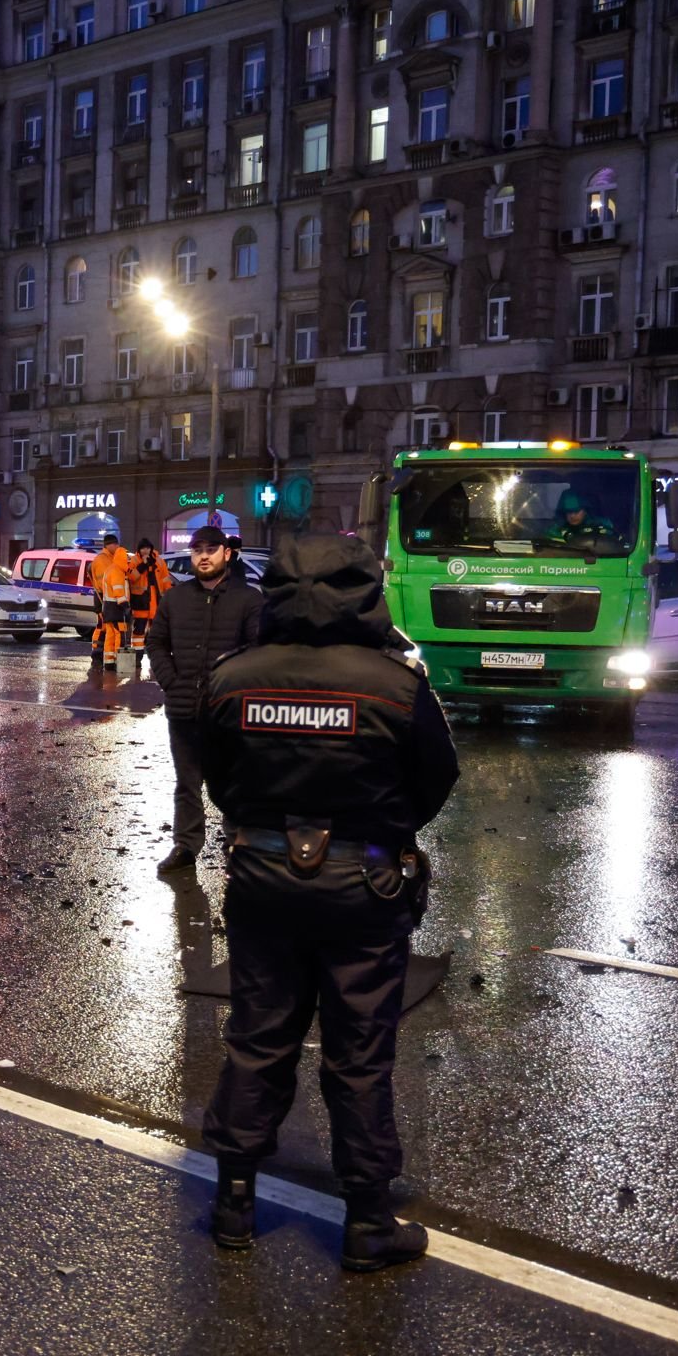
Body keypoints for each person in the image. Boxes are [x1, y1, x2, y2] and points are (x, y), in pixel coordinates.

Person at [197, 532, 459, 1271]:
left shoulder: (231, 677)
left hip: (263, 881)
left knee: (258, 1039)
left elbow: (218, 778)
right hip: (366, 888)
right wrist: (371, 822)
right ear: (365, 594)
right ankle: (369, 1223)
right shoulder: (396, 683)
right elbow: (434, 782)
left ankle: (233, 1205)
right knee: (359, 1056)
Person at [147, 525, 263, 872]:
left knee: (232, 782)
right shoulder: (175, 598)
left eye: (212, 550)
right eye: (198, 550)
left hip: (227, 713)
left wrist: (233, 692)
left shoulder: (248, 599)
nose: (204, 556)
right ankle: (185, 846)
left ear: (227, 554)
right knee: (187, 783)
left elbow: (257, 652)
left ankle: (237, 844)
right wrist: (171, 681)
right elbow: (156, 643)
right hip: (183, 710)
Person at [88, 533, 134, 671]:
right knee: (104, 630)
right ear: (109, 545)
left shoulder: (111, 559)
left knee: (108, 631)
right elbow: (107, 586)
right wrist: (122, 603)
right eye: (116, 544)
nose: (117, 546)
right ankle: (97, 656)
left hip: (106, 601)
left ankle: (107, 659)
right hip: (105, 600)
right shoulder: (103, 561)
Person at [128, 537, 171, 677]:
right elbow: (132, 577)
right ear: (139, 550)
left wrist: (168, 595)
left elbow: (165, 579)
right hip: (141, 601)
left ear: (151, 549)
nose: (145, 551)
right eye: (143, 548)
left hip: (156, 600)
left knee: (156, 632)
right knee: (139, 631)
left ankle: (157, 659)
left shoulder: (159, 561)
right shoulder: (134, 560)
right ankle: (137, 658)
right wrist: (143, 566)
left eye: (148, 548)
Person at [543, 490, 617, 550]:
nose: (572, 516)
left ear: (585, 510)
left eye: (576, 511)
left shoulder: (602, 525)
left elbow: (612, 547)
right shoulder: (555, 531)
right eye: (568, 511)